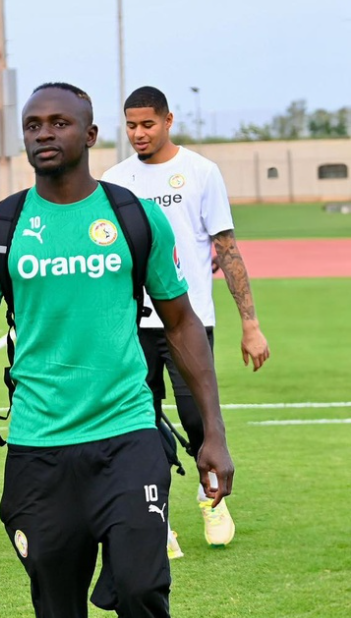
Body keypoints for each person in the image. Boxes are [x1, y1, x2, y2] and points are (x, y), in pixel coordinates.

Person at [0, 82, 235, 617]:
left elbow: (182, 323)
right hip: (38, 444)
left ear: (91, 134)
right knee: (57, 605)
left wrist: (211, 432)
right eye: (33, 125)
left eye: (59, 122)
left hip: (127, 433)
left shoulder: (135, 218)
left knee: (143, 590)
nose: (44, 133)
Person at [102, 86, 269, 557]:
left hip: (188, 322)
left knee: (199, 420)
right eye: (131, 125)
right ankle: (159, 519)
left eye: (147, 124)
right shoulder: (114, 180)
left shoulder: (200, 172)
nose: (138, 133)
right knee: (140, 425)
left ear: (168, 120)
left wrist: (250, 324)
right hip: (130, 326)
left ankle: (210, 498)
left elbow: (227, 250)